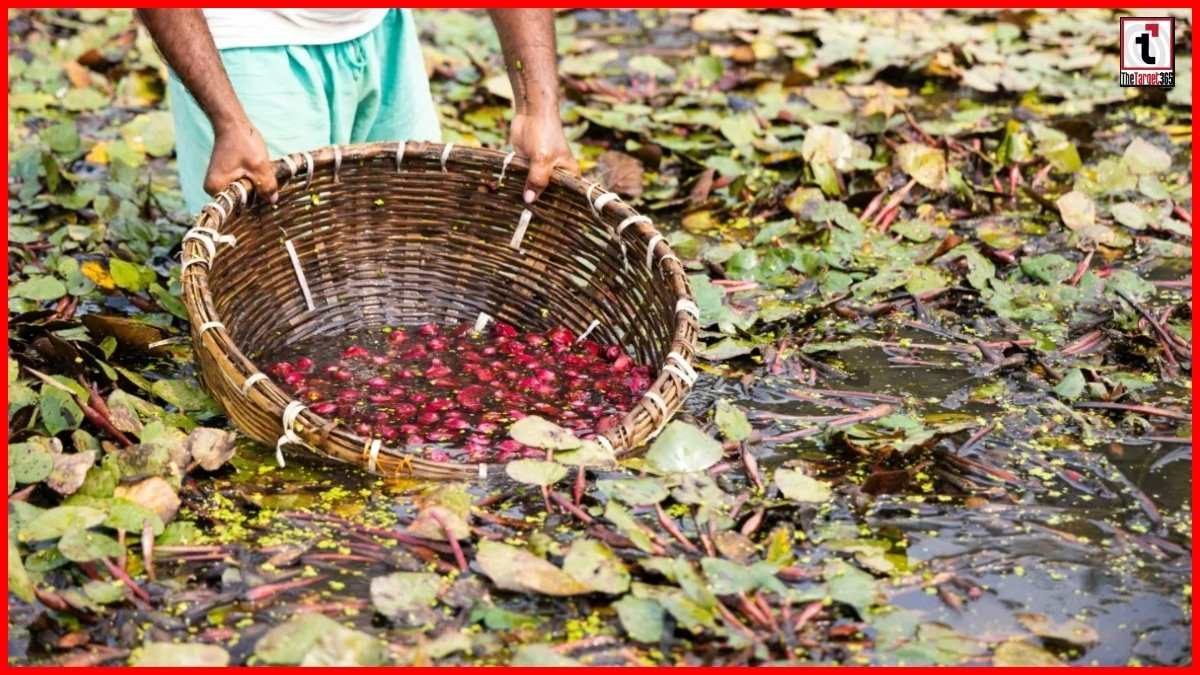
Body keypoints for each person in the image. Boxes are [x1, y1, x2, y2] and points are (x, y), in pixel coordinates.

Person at [137, 9, 580, 213]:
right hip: (244, 36)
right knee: (281, 264)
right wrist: (228, 120)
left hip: (378, 26)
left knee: (415, 232)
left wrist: (537, 107)